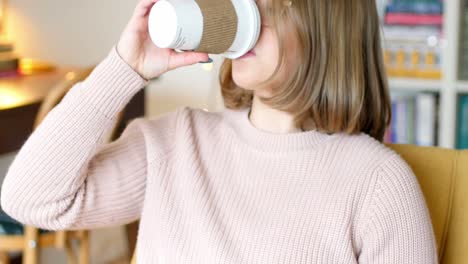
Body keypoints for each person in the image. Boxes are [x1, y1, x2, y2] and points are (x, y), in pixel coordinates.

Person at [1, 0, 438, 263]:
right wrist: (124, 67)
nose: (247, 15)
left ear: (326, 27)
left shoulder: (379, 184)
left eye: (269, 4)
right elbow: (30, 199)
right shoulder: (174, 142)